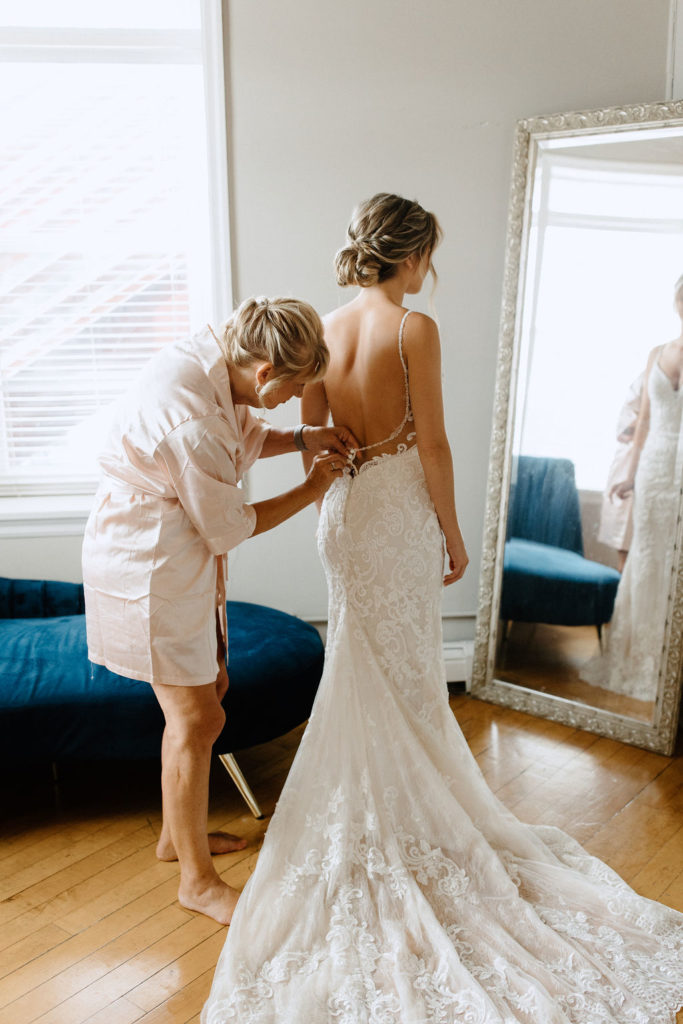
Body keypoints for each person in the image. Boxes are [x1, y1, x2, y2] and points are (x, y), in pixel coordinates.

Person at [202, 198, 683, 1022]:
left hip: (342, 516)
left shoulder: (323, 323)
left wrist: (328, 491)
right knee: (405, 673)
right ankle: (412, 820)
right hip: (395, 517)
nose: (432, 269)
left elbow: (317, 434)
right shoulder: (411, 328)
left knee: (359, 662)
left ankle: (375, 820)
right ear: (410, 253)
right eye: (429, 254)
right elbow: (433, 445)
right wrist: (455, 535)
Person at [82, 296, 358, 926]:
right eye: (294, 392)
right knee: (195, 716)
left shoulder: (215, 359)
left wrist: (304, 437)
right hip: (147, 562)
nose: (294, 401)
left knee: (209, 694)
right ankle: (197, 883)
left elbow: (246, 436)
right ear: (265, 373)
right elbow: (230, 527)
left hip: (175, 551)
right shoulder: (192, 421)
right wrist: (313, 484)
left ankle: (174, 838)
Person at [582, 275, 683, 701]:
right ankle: (636, 658)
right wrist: (629, 473)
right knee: (644, 557)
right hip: (655, 467)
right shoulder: (657, 353)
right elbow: (642, 424)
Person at [596, 371, 643, 572]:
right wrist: (642, 425)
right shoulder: (650, 374)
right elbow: (624, 431)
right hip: (632, 462)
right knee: (625, 551)